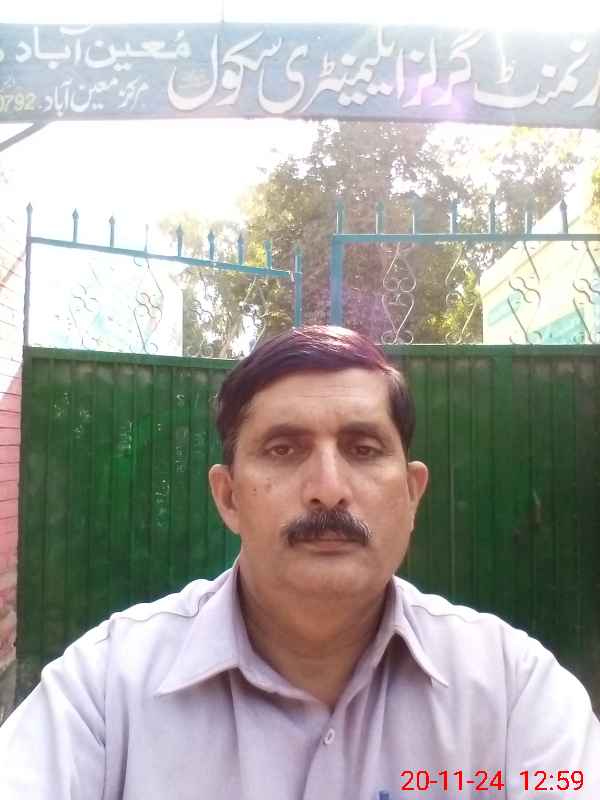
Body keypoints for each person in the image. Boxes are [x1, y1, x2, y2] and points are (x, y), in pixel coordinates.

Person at [0, 325, 598, 799]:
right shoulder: (105, 691)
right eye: (284, 449)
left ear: (412, 494)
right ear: (228, 498)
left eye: (364, 449)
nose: (328, 490)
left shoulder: (513, 692)